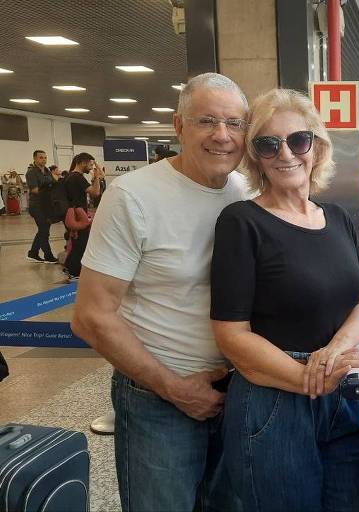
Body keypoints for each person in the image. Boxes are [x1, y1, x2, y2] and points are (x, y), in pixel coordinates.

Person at [71, 72, 251, 512]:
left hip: (238, 394)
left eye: (235, 123)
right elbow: (91, 315)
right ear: (178, 126)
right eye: (207, 121)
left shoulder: (245, 192)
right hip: (158, 402)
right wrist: (174, 388)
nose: (222, 136)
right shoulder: (133, 196)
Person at [209, 88, 359, 512]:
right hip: (272, 402)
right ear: (255, 157)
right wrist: (310, 377)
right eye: (269, 144)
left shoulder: (338, 217)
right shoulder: (242, 222)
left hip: (341, 392)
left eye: (298, 140)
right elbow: (231, 334)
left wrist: (334, 352)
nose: (285, 153)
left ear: (317, 147)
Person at [62, 153, 104, 281]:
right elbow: (95, 193)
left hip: (74, 214)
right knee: (81, 243)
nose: (91, 168)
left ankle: (69, 267)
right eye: (90, 164)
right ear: (82, 162)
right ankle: (74, 272)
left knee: (77, 242)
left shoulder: (70, 176)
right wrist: (97, 178)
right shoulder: (77, 177)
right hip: (78, 215)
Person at [25, 150, 59, 263]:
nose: (43, 160)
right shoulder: (31, 172)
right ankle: (48, 256)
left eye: (45, 157)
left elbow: (53, 183)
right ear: (34, 158)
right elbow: (34, 190)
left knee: (44, 230)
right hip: (37, 205)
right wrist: (50, 183)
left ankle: (33, 253)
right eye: (41, 158)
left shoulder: (47, 170)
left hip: (46, 205)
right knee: (44, 230)